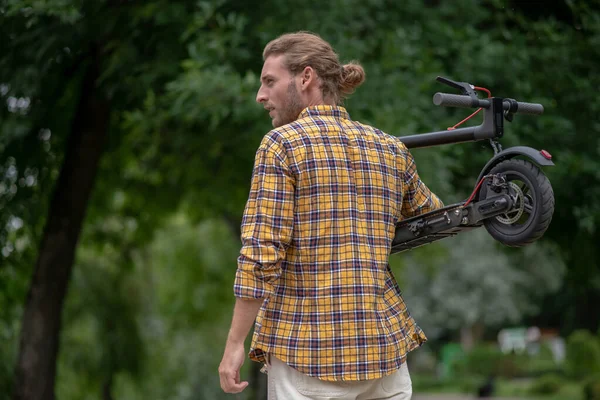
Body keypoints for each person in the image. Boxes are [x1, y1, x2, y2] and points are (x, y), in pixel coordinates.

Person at [218, 31, 444, 399]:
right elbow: (431, 217)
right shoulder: (389, 148)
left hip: (309, 356)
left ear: (305, 78)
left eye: (269, 82)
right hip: (384, 354)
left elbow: (261, 255)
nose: (261, 95)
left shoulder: (281, 145)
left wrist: (233, 344)